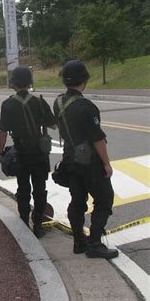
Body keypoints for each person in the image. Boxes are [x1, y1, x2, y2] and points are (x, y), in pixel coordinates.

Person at [53, 60, 117, 259]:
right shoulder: (87, 106)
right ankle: (95, 243)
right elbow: (97, 139)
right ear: (85, 80)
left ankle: (79, 241)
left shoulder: (58, 102)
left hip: (70, 161)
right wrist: (106, 163)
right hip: (90, 163)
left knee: (77, 200)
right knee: (104, 199)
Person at [0, 67, 56, 238]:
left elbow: (3, 132)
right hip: (39, 152)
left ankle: (23, 220)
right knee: (40, 188)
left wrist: (1, 152)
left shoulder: (8, 104)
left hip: (20, 152)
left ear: (13, 83)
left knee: (23, 187)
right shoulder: (39, 102)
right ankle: (38, 224)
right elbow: (53, 124)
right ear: (30, 82)